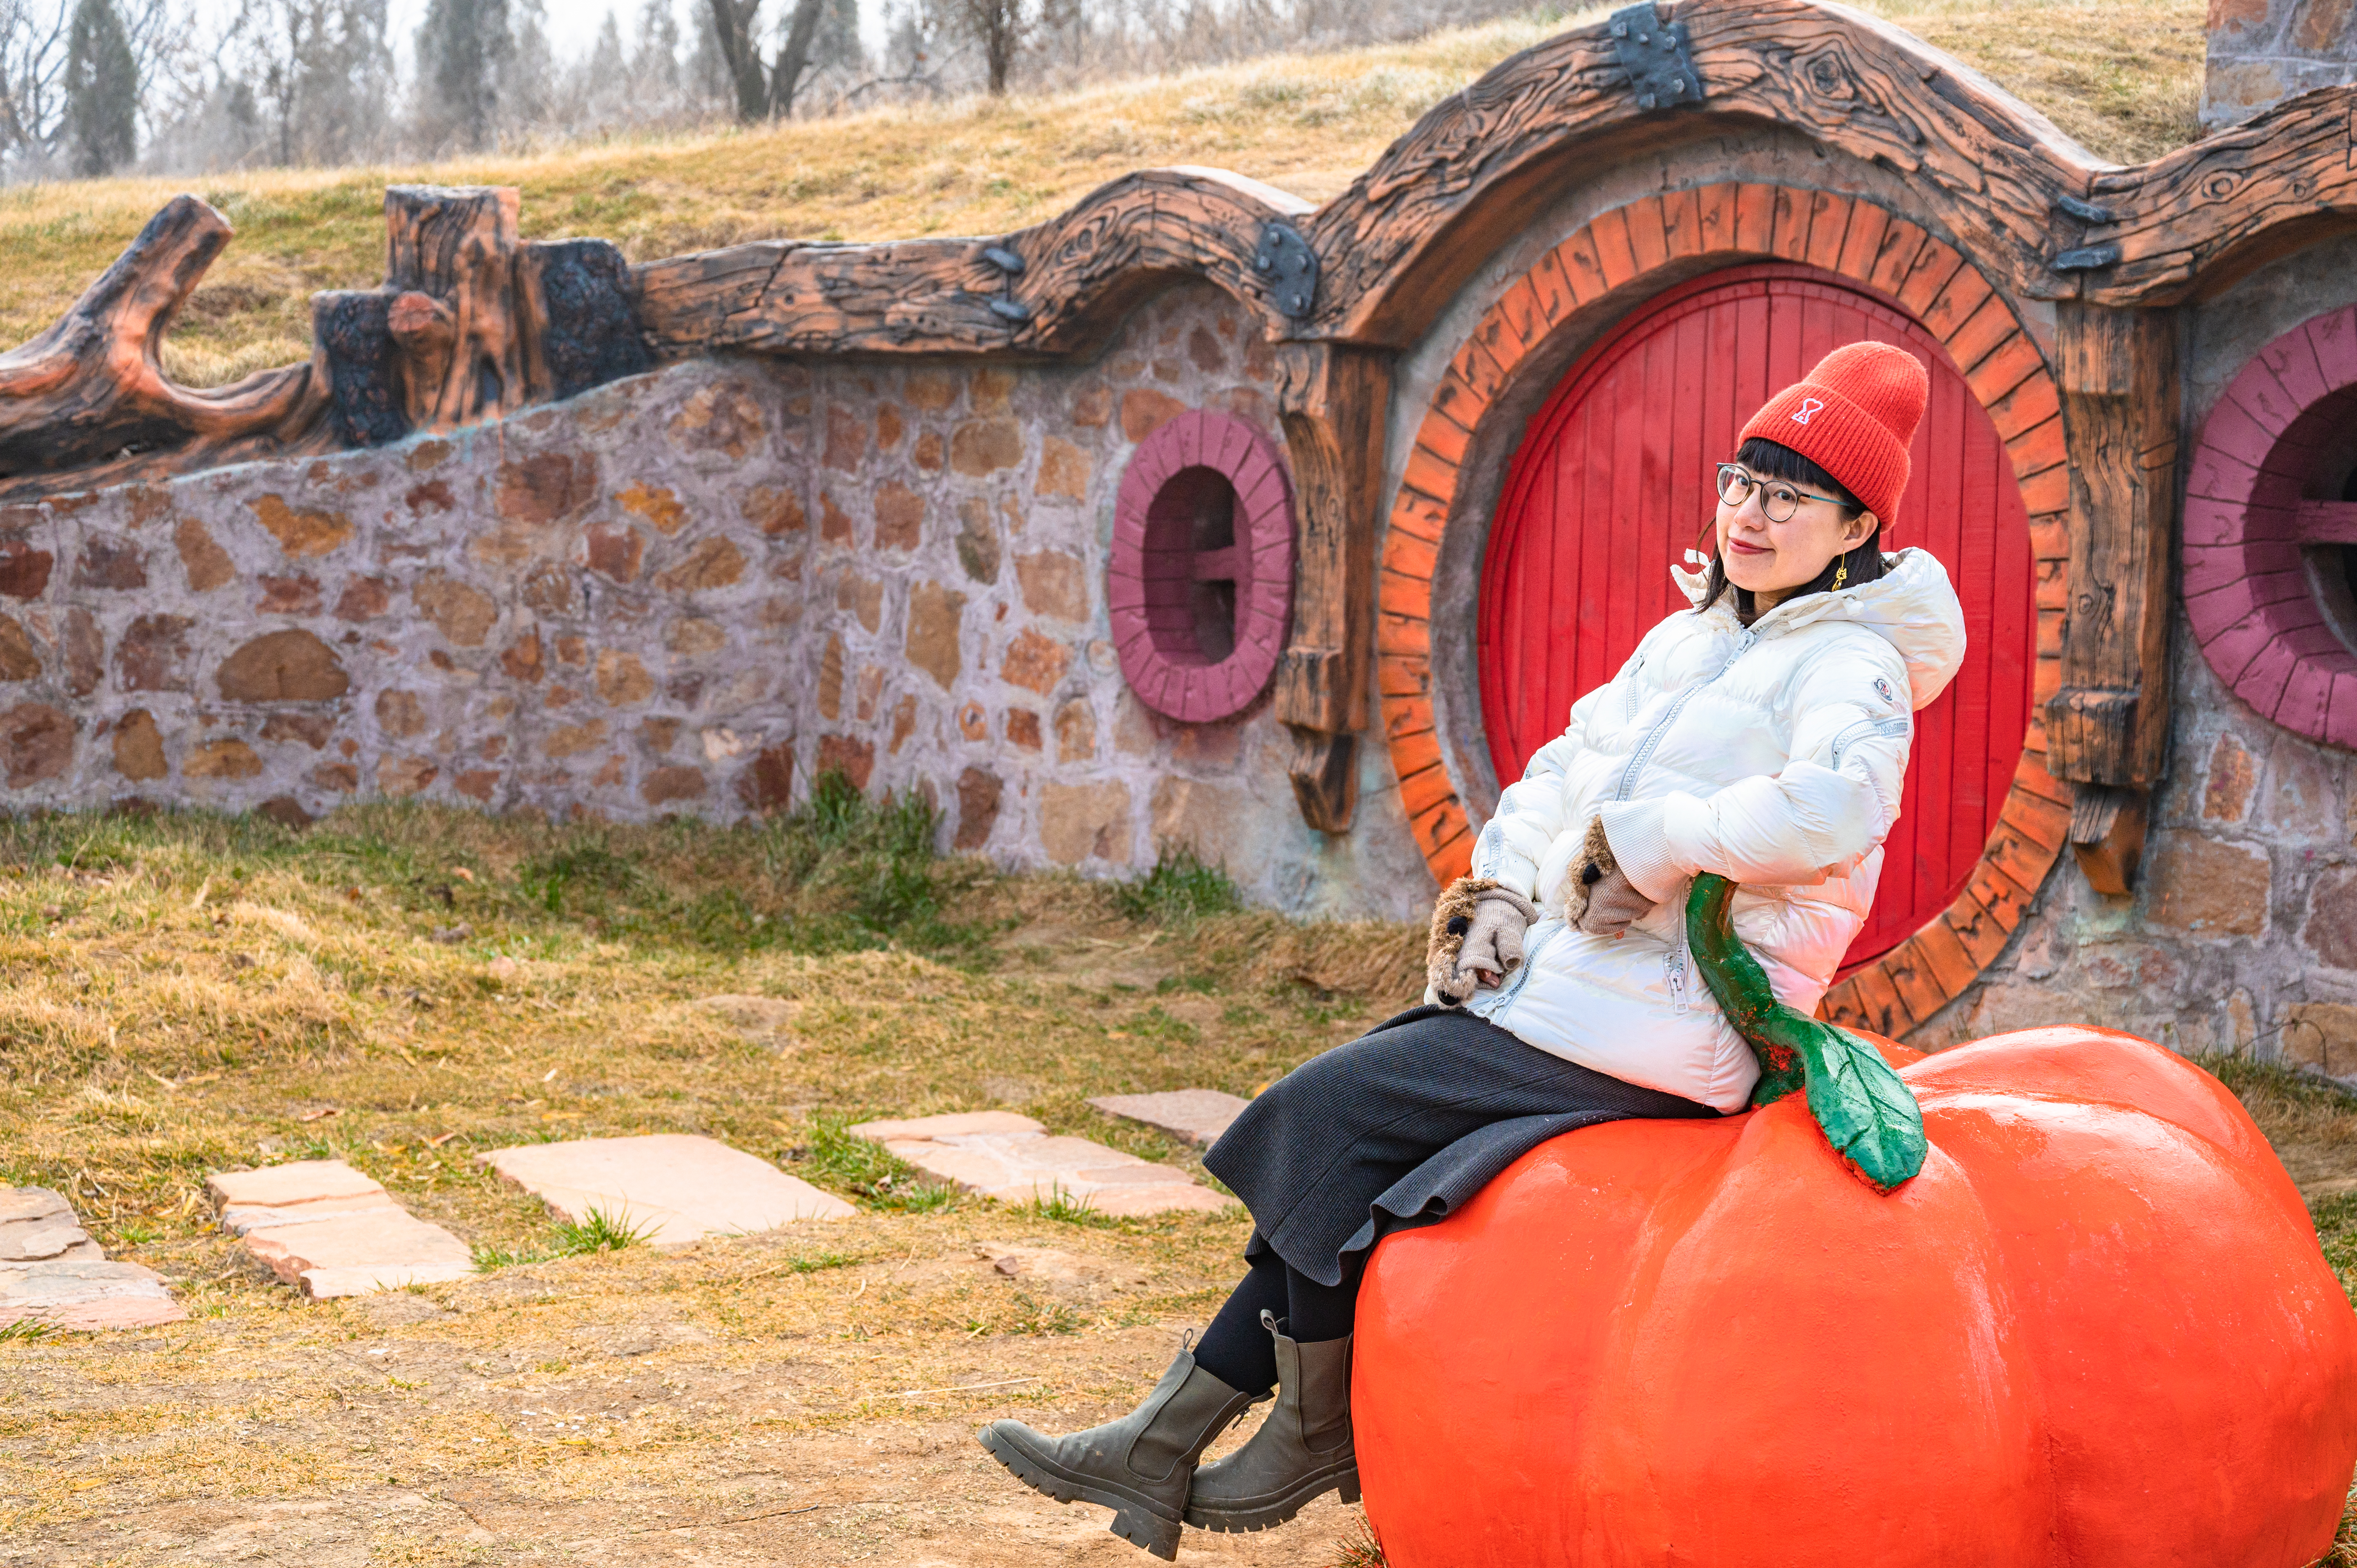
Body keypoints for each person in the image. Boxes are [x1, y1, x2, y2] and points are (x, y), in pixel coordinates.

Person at [975, 341, 1968, 1559]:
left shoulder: (1853, 662)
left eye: (1787, 497)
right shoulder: (1695, 639)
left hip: (1676, 1016)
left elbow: (1835, 813)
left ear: (1858, 524)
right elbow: (1563, 769)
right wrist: (1499, 888)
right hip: (1572, 990)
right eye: (1739, 482)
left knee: (1323, 1110)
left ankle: (1288, 1433)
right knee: (1344, 1148)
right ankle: (1167, 1443)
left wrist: (1651, 843)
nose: (1748, 516)